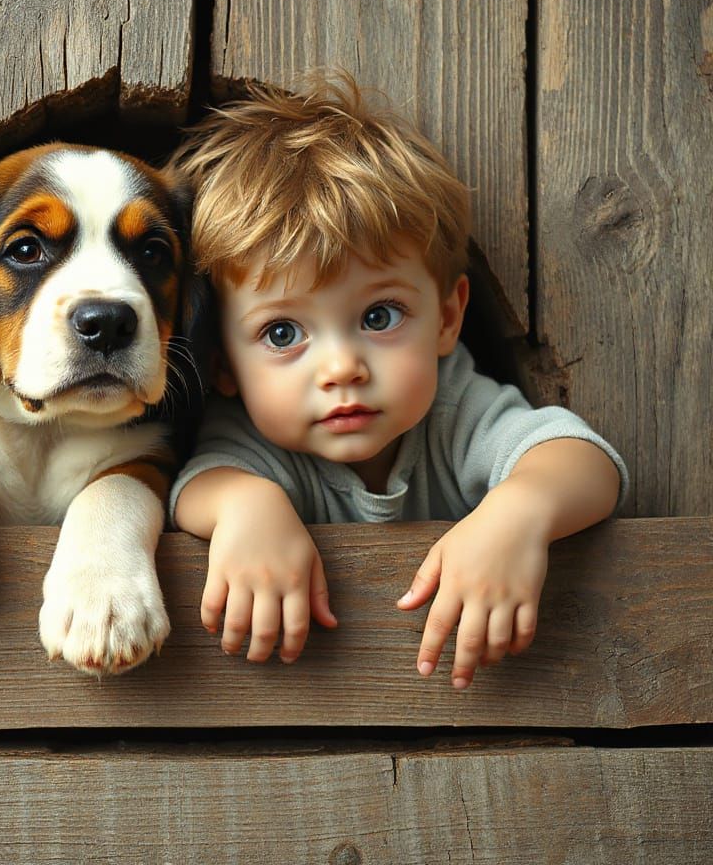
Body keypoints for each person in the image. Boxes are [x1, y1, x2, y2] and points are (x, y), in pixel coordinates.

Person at [169, 72, 627, 690]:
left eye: (378, 316)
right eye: (282, 334)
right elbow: (199, 486)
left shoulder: (454, 407)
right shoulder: (255, 439)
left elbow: (583, 461)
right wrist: (247, 506)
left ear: (446, 318)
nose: (340, 369)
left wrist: (520, 513)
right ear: (221, 362)